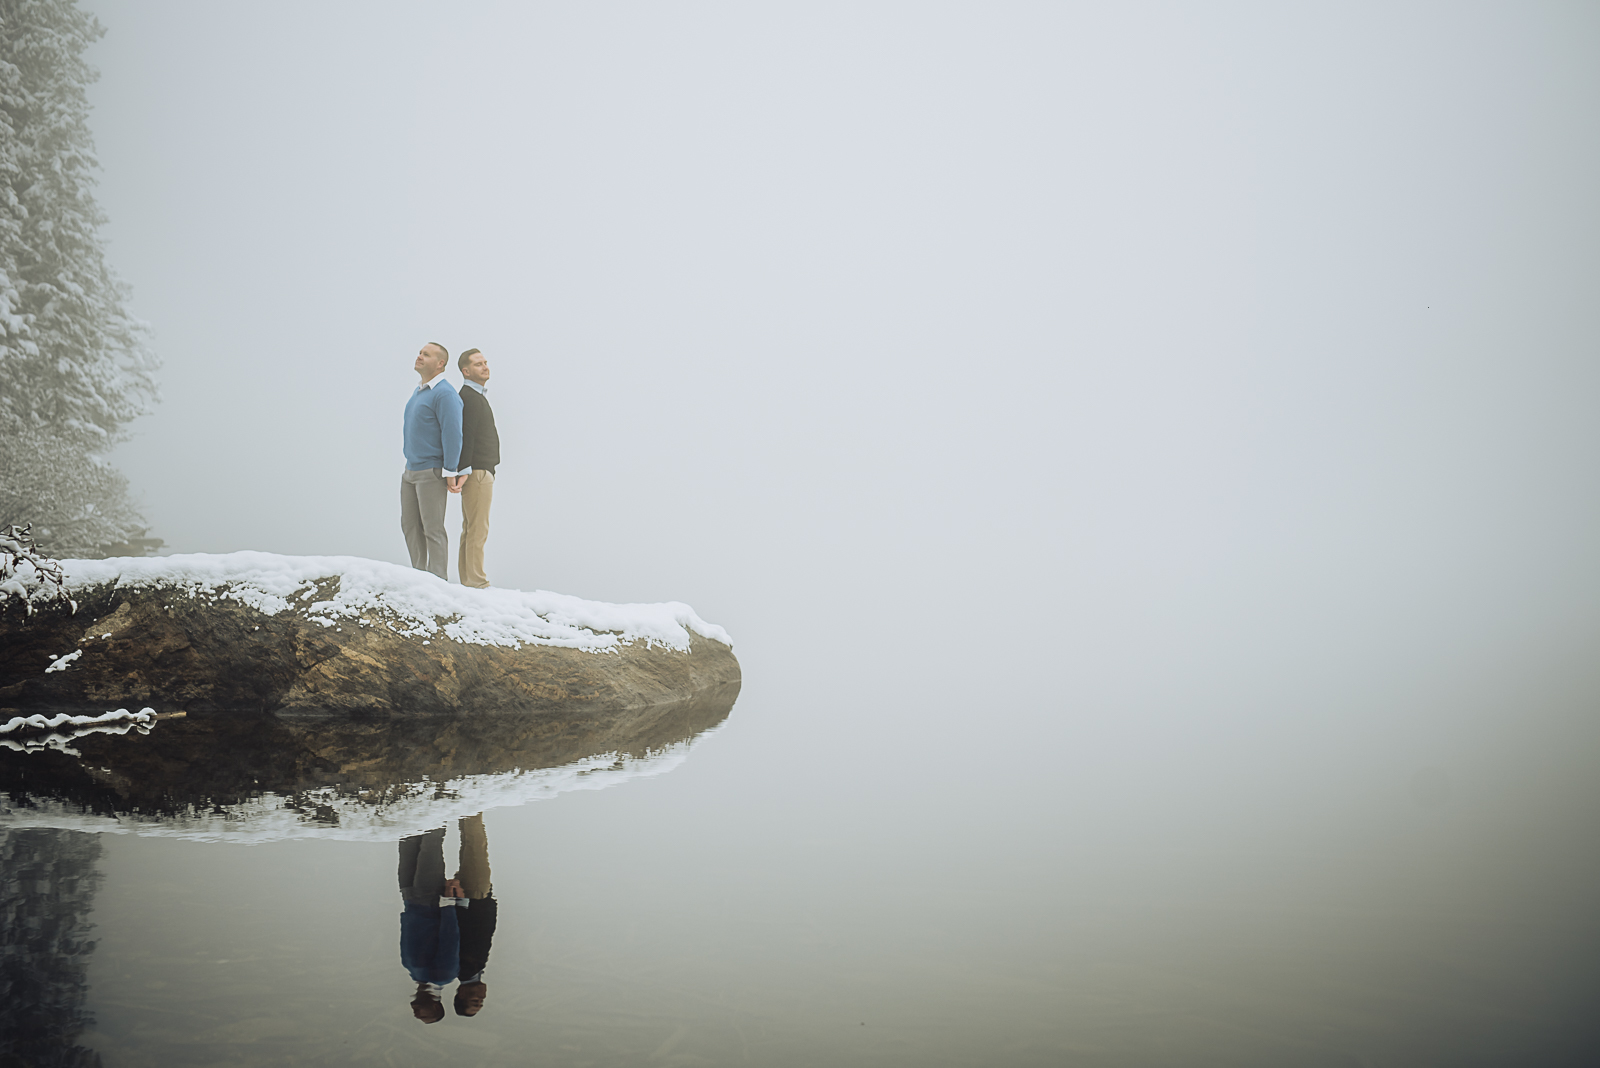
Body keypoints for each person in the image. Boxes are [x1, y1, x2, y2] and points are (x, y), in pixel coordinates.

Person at [401, 342, 465, 580]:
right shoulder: (420, 391)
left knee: (432, 529)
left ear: (440, 364)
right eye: (419, 353)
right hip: (410, 471)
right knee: (410, 526)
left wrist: (450, 470)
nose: (419, 356)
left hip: (431, 471)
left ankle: (438, 581)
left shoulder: (445, 393)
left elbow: (453, 433)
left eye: (426, 355)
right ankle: (419, 577)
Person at [456, 348, 500, 589]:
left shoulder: (474, 396)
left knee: (471, 527)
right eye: (478, 364)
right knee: (478, 528)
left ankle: (469, 580)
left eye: (485, 362)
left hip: (479, 470)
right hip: (477, 471)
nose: (484, 366)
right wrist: (464, 469)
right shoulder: (470, 398)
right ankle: (476, 581)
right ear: (466, 371)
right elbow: (467, 436)